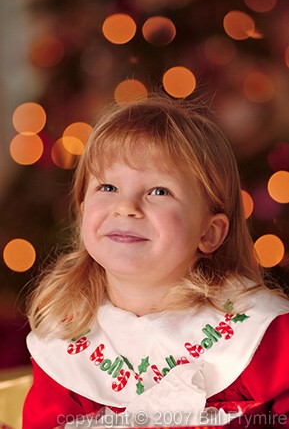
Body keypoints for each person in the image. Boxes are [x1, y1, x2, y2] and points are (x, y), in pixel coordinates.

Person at [23, 93, 289, 429]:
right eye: (107, 187)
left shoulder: (264, 334)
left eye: (159, 191)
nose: (126, 206)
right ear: (81, 209)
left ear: (209, 233)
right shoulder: (65, 341)